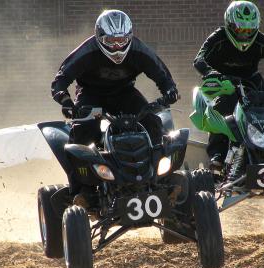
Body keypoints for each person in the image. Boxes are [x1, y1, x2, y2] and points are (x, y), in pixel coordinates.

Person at [51, 9, 179, 198]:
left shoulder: (138, 50)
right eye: (111, 41)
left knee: (152, 122)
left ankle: (162, 180)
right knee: (83, 130)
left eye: (122, 40)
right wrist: (66, 101)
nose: (118, 47)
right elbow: (60, 80)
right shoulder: (86, 51)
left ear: (130, 37)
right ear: (99, 37)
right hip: (90, 94)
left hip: (124, 93)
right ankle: (82, 191)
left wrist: (170, 91)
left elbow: (162, 75)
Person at [193, 1, 264, 170]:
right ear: (229, 25)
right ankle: (217, 156)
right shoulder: (218, 37)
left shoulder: (261, 40)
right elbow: (198, 60)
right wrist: (211, 73)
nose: (245, 35)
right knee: (220, 110)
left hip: (252, 81)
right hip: (224, 82)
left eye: (250, 30)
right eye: (241, 29)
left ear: (256, 27)